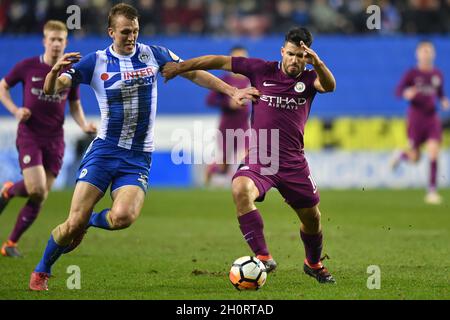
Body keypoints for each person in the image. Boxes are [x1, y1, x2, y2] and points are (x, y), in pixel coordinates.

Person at [28, 3, 259, 291]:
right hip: (104, 151)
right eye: (125, 32)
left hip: (137, 157)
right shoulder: (95, 61)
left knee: (123, 217)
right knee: (72, 223)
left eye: (135, 31)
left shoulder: (154, 54)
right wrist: (53, 73)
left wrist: (233, 89)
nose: (131, 37)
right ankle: (42, 270)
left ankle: (90, 222)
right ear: (111, 32)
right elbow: (53, 89)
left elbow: (194, 72)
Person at [163, 27, 336, 283]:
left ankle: (313, 263)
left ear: (307, 58)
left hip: (293, 162)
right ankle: (263, 257)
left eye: (301, 56)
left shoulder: (311, 79)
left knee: (312, 219)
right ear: (282, 51)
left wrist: (319, 63)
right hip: (261, 157)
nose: (295, 60)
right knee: (240, 188)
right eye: (291, 54)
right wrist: (181, 67)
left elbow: (330, 86)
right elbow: (219, 60)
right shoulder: (261, 69)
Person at [0, 20, 96, 258]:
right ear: (44, 41)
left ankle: (10, 243)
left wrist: (84, 124)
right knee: (37, 188)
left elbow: (75, 104)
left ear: (65, 43)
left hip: (56, 139)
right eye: (52, 39)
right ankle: (9, 190)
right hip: (30, 134)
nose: (56, 44)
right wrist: (15, 111)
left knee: (40, 195)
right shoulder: (27, 66)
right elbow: (3, 87)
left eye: (60, 40)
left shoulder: (68, 73)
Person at [393, 41, 449, 205]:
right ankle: (401, 155)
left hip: (432, 119)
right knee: (415, 157)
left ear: (433, 54)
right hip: (416, 119)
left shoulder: (437, 74)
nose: (427, 54)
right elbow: (398, 91)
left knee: (433, 152)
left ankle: (432, 191)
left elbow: (440, 93)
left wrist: (444, 100)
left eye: (429, 51)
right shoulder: (412, 74)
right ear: (418, 54)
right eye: (424, 51)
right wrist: (406, 93)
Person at [205, 46, 251, 185]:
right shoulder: (224, 80)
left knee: (249, 155)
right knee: (224, 166)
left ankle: (246, 185)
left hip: (243, 125)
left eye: (243, 58)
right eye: (236, 59)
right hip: (227, 128)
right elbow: (210, 100)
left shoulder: (251, 79)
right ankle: (210, 172)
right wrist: (228, 103)